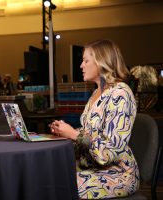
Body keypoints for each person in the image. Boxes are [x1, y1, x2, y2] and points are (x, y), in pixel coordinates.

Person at [49, 40, 139, 199]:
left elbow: (110, 152)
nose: (81, 66)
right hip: (91, 167)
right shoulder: (96, 93)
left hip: (118, 173)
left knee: (59, 185)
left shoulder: (120, 94)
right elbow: (91, 133)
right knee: (45, 176)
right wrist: (65, 132)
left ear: (101, 62)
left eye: (86, 60)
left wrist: (74, 135)